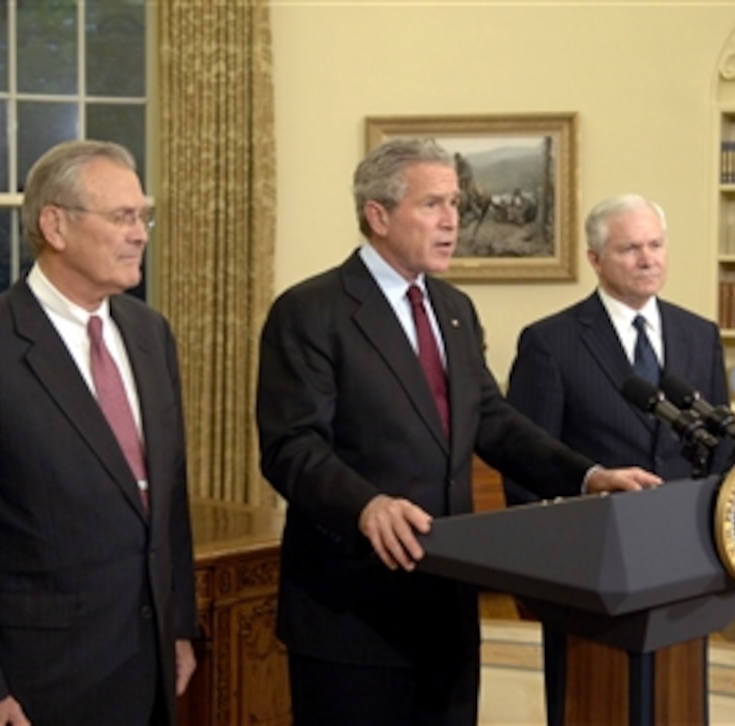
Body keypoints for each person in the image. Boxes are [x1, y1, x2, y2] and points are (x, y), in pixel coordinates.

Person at [255, 139, 661, 726]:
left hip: (446, 600)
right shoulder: (311, 311)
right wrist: (365, 504)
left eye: (456, 203)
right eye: (433, 205)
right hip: (352, 607)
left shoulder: (454, 309)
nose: (454, 220)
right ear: (378, 215)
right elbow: (291, 446)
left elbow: (492, 421)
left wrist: (587, 475)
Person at [0, 140, 198, 726]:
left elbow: (168, 502)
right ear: (55, 225)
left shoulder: (149, 333)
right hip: (34, 682)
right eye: (122, 217)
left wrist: (180, 627)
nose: (140, 233)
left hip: (148, 667)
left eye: (144, 216)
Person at [504, 193, 732, 726]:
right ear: (596, 259)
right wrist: (542, 564)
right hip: (592, 554)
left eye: (655, 245)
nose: (648, 258)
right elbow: (527, 458)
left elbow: (719, 443)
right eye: (630, 248)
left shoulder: (699, 334)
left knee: (674, 696)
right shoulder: (550, 342)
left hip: (684, 544)